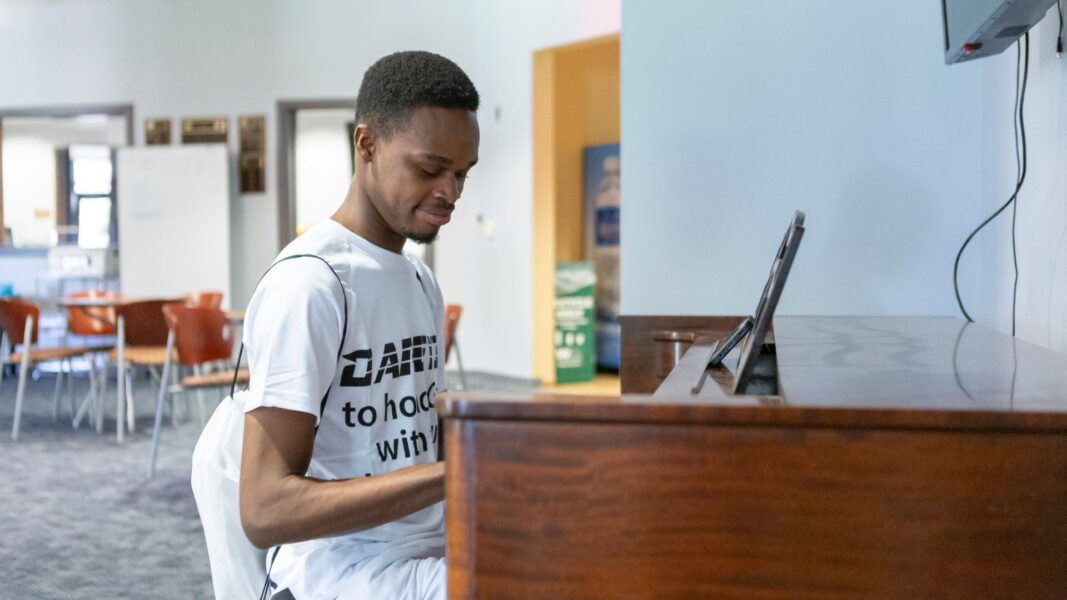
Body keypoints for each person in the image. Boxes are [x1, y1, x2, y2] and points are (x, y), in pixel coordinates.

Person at [238, 50, 479, 600]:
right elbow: (263, 509)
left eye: (462, 174)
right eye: (429, 168)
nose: (451, 192)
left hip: (424, 551)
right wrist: (457, 474)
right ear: (366, 145)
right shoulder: (311, 284)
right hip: (340, 576)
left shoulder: (419, 279)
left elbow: (415, 423)